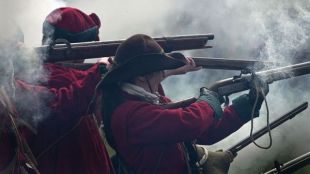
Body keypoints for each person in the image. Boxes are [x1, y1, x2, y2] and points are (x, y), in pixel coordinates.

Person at [97, 34, 269, 174]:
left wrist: (248, 104)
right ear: (141, 76)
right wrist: (210, 97)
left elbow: (206, 132)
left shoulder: (147, 100)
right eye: (159, 70)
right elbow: (189, 123)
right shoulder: (131, 114)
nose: (162, 75)